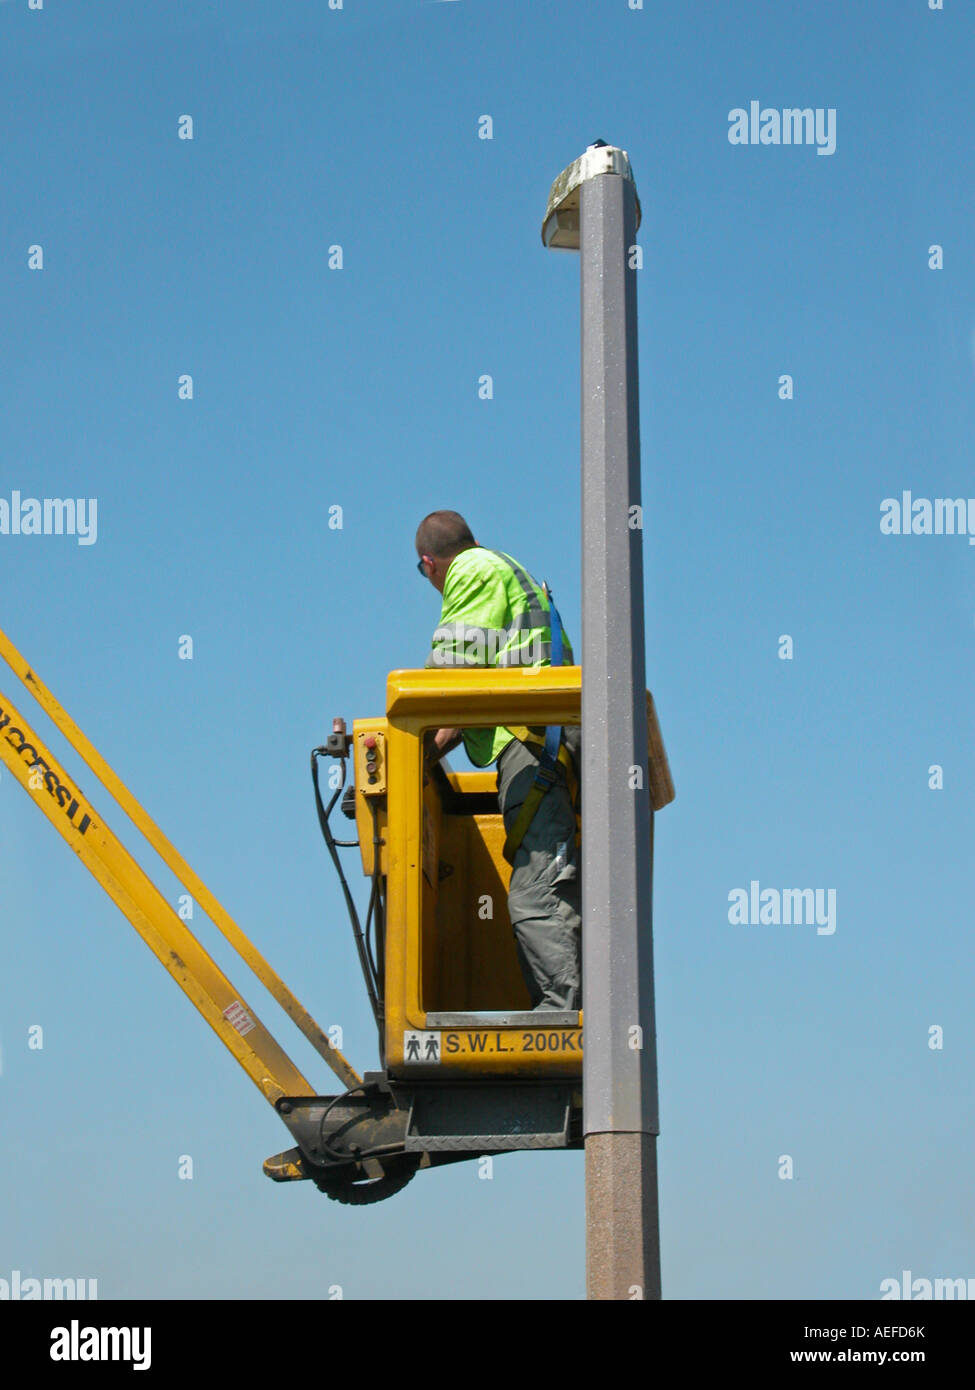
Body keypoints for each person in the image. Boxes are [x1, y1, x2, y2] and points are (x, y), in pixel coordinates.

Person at [415, 509, 581, 1011]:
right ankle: (562, 1009)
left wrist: (411, 753)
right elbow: (467, 698)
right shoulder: (505, 569)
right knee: (541, 886)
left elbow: (446, 687)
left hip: (531, 751)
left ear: (429, 564)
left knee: (535, 893)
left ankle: (563, 1016)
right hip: (543, 747)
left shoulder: (472, 571)